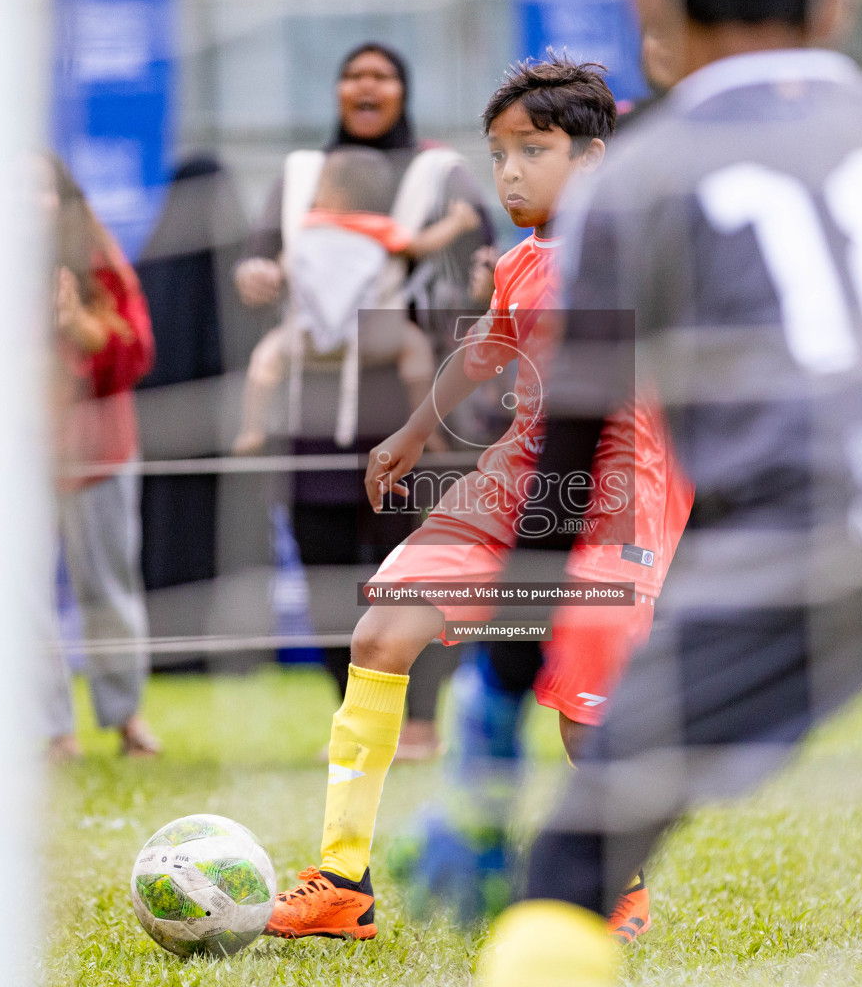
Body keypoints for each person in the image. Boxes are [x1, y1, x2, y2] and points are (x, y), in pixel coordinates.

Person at [473, 0, 862, 986]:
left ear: (650, 8)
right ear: (837, 4)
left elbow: (567, 442)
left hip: (820, 501)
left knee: (576, 856)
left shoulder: (640, 171)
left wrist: (499, 677)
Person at [263, 56, 693, 943]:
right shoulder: (524, 263)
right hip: (515, 472)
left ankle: (620, 884)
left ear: (594, 159)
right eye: (497, 154)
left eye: (530, 151)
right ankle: (344, 880)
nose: (507, 173)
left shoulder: (656, 253)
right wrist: (416, 430)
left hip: (620, 493)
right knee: (382, 627)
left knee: (584, 719)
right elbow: (489, 349)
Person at [235, 42, 496, 760]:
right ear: (339, 92)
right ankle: (353, 714)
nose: (366, 85)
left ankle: (419, 718)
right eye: (353, 74)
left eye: (382, 75)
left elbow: (482, 245)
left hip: (413, 412)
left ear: (402, 91)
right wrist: (255, 274)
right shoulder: (297, 178)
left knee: (415, 563)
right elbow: (260, 255)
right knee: (323, 567)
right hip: (312, 410)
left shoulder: (440, 173)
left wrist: (481, 274)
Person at [233, 147, 480, 455]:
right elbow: (420, 245)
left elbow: (288, 262)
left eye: (320, 185)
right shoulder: (378, 228)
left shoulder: (306, 225)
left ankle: (251, 428)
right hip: (371, 335)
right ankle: (424, 428)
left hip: (305, 335)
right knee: (416, 348)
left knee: (266, 356)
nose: (314, 192)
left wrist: (273, 271)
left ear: (337, 196)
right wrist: (457, 223)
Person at [44, 157, 160, 760]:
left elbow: (138, 351)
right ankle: (50, 732)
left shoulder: (98, 257)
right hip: (17, 461)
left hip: (98, 454)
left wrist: (81, 327)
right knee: (20, 599)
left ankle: (126, 718)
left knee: (109, 589)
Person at [136, 156, 248, 618]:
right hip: (228, 443)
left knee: (164, 538)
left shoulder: (150, 267)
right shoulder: (241, 271)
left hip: (162, 442)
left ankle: (170, 643)